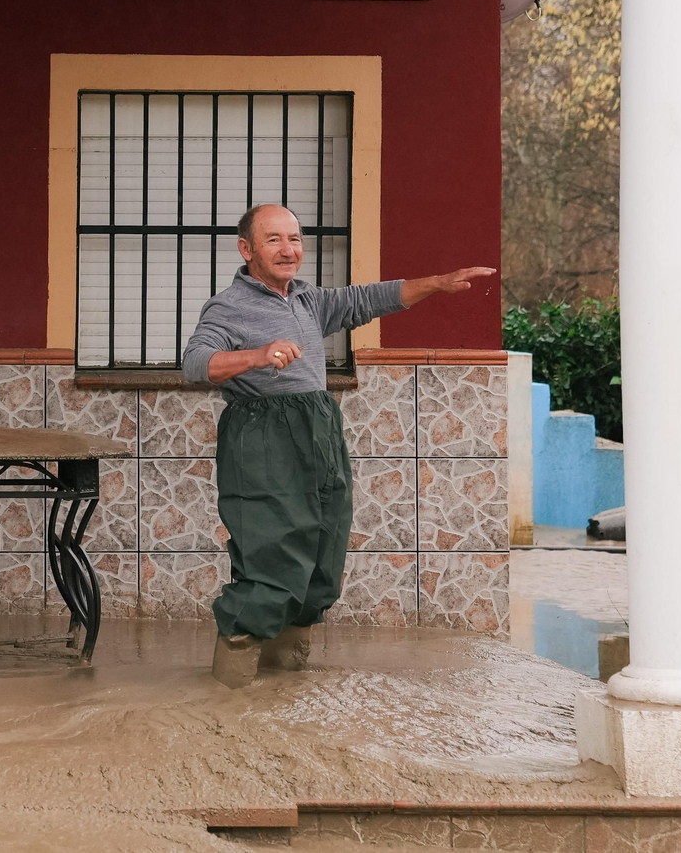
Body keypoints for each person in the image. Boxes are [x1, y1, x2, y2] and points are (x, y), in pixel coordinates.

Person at [181, 204, 493, 687]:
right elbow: (196, 362)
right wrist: (257, 356)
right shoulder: (227, 307)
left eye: (295, 239)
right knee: (272, 558)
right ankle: (230, 697)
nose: (289, 250)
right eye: (274, 240)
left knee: (324, 551)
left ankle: (287, 691)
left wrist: (435, 282)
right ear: (247, 249)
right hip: (263, 438)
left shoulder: (308, 300)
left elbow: (369, 299)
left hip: (319, 431)